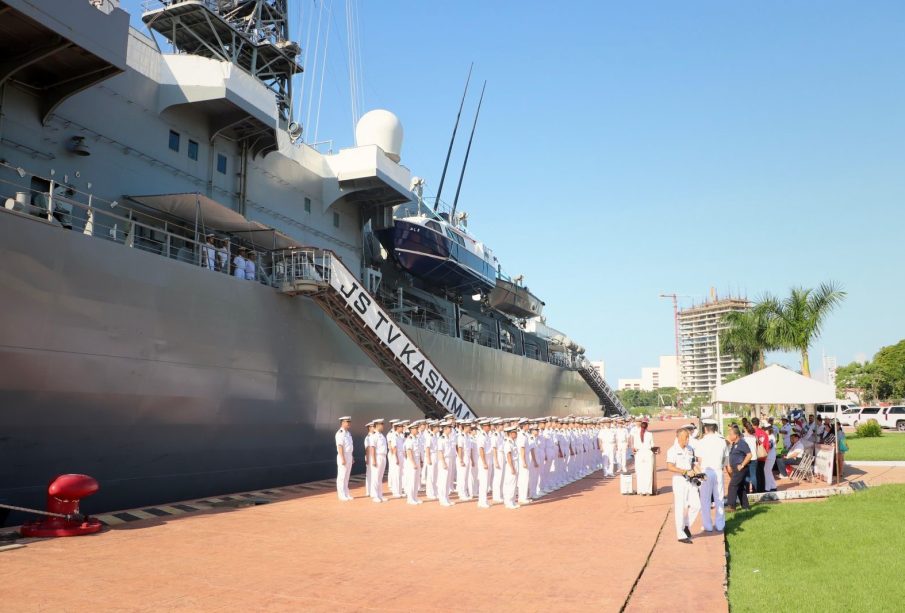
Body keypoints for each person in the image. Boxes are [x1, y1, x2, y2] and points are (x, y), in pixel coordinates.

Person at [666, 428, 701, 544]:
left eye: (688, 437)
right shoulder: (672, 450)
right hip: (679, 480)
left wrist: (700, 473)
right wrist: (684, 472)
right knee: (680, 507)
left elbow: (692, 464)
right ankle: (680, 534)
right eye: (686, 437)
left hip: (690, 480)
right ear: (679, 437)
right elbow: (670, 467)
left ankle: (686, 525)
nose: (688, 439)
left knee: (696, 505)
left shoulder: (690, 449)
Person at [695, 420, 727, 532]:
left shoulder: (701, 442)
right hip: (718, 470)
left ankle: (708, 525)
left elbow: (699, 460)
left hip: (706, 471)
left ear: (705, 428)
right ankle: (720, 524)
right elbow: (725, 458)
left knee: (705, 499)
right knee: (719, 498)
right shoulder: (722, 441)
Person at [725, 425, 752, 512]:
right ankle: (746, 506)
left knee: (732, 486)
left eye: (730, 434)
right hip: (735, 468)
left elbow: (749, 455)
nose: (729, 436)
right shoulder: (734, 444)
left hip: (740, 468)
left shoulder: (742, 443)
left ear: (735, 435)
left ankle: (731, 506)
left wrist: (742, 464)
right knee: (740, 487)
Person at [632, 418, 656, 495]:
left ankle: (641, 490)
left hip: (639, 454)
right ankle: (648, 491)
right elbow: (652, 445)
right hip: (648, 453)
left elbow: (635, 446)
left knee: (640, 472)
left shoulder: (635, 434)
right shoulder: (650, 434)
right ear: (647, 426)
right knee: (648, 472)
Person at [335, 416, 353, 501]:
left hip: (348, 455)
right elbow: (340, 446)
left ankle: (346, 493)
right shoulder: (340, 433)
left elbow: (349, 447)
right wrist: (342, 458)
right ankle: (341, 494)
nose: (349, 423)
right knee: (342, 476)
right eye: (347, 421)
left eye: (349, 421)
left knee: (347, 476)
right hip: (343, 455)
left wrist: (351, 456)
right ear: (342, 422)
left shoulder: (348, 433)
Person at [436, 423, 455, 507]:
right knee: (443, 480)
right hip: (444, 459)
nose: (451, 429)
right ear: (445, 428)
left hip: (450, 459)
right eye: (449, 427)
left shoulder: (449, 438)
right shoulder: (441, 439)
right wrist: (443, 463)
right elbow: (440, 452)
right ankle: (442, 499)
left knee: (447, 480)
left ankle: (446, 498)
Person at [369, 419, 387, 503]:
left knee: (380, 477)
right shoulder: (373, 436)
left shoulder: (381, 435)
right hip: (377, 456)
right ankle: (375, 495)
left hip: (383, 456)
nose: (383, 425)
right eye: (381, 424)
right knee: (376, 477)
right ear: (377, 425)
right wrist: (374, 460)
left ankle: (380, 495)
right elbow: (372, 448)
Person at [403, 424, 422, 505]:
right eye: (416, 428)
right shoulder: (409, 440)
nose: (418, 429)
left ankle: (415, 497)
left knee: (416, 480)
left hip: (416, 460)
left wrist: (420, 461)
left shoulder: (416, 438)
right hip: (412, 462)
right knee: (411, 480)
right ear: (412, 429)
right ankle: (410, 499)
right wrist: (413, 463)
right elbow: (408, 453)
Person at [476, 420, 493, 508]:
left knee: (487, 481)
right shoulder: (481, 436)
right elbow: (481, 449)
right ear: (484, 426)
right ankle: (482, 501)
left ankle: (484, 500)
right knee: (484, 481)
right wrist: (484, 462)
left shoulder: (487, 435)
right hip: (484, 459)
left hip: (489, 458)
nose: (490, 427)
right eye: (488, 425)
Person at [751, 418, 770, 493]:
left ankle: (757, 489)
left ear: (752, 424)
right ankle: (762, 488)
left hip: (755, 455)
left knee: (755, 473)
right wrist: (766, 453)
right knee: (761, 473)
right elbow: (767, 445)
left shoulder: (753, 433)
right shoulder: (764, 433)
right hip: (763, 455)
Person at [503, 426, 520, 509]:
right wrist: (512, 468)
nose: (516, 434)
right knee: (511, 483)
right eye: (514, 433)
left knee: (514, 483)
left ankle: (512, 501)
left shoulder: (513, 442)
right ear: (510, 434)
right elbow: (509, 456)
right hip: (511, 464)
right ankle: (509, 502)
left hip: (515, 463)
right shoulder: (508, 443)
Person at [387, 420, 403, 498]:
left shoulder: (399, 436)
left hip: (400, 455)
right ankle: (396, 491)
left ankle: (399, 491)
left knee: (400, 474)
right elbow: (393, 448)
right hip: (396, 455)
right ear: (397, 427)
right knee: (396, 474)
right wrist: (396, 458)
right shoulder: (393, 436)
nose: (402, 428)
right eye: (401, 426)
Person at [742, 424, 758, 493]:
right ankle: (754, 490)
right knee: (753, 475)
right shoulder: (754, 437)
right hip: (754, 457)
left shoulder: (743, 438)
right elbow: (756, 447)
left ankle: (747, 491)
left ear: (745, 429)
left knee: (747, 476)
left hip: (746, 458)